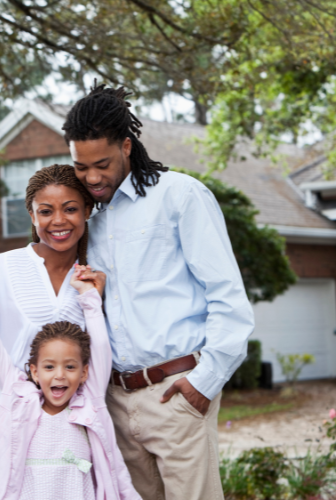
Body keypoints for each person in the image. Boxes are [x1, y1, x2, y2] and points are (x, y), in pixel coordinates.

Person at [61, 83, 256, 500]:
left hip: (176, 392)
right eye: (81, 167)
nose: (92, 177)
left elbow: (228, 296)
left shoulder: (179, 196)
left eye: (103, 164)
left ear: (127, 146)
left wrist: (203, 383)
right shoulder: (86, 216)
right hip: (114, 399)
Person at [0, 164, 105, 477]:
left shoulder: (94, 277)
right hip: (4, 426)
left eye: (71, 209)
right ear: (32, 217)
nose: (58, 221)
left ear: (87, 211)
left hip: (67, 436)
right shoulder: (0, 270)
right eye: (45, 211)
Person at [0, 263, 141, 500]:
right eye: (49, 367)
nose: (59, 375)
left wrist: (89, 297)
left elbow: (100, 347)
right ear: (34, 372)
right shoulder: (19, 398)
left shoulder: (89, 403)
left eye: (70, 366)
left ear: (84, 373)